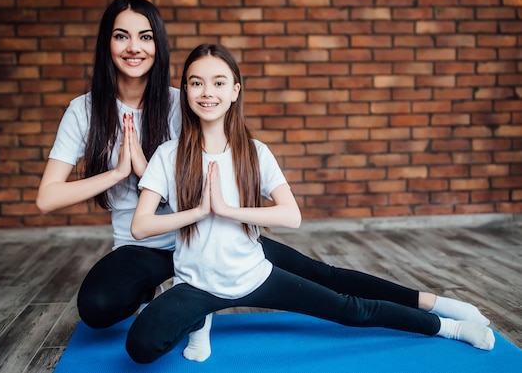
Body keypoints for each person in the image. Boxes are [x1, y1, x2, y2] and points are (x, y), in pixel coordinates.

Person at [36, 0, 489, 338]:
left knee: (324, 277)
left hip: (216, 236)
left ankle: (437, 305)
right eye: (121, 35)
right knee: (97, 304)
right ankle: (174, 294)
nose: (134, 47)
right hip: (146, 246)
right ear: (107, 43)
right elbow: (48, 197)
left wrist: (226, 210)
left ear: (159, 45)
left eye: (145, 36)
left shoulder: (184, 101)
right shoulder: (85, 110)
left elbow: (218, 172)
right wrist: (120, 173)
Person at [125, 43, 495, 364]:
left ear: (235, 90)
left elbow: (292, 215)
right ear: (186, 91)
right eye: (196, 82)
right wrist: (199, 211)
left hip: (254, 275)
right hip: (196, 284)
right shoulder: (168, 155)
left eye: (219, 82)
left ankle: (447, 326)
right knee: (141, 346)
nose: (208, 92)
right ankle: (198, 318)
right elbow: (140, 226)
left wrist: (228, 210)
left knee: (351, 309)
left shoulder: (254, 153)